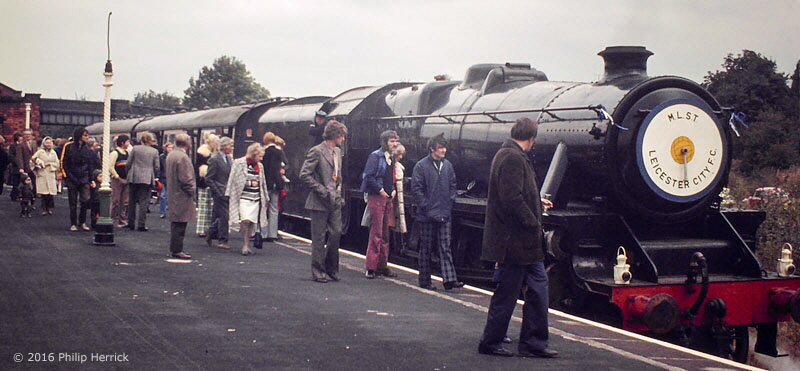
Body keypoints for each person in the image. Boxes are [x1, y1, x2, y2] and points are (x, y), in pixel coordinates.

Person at [478, 117, 557, 358]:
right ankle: (490, 342)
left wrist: (536, 202)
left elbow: (517, 194)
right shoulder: (511, 157)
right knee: (508, 293)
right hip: (514, 242)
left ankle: (534, 342)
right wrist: (533, 222)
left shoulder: (509, 154)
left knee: (538, 289)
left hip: (526, 245)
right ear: (532, 138)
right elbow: (511, 198)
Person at [411, 133, 464, 290]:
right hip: (427, 214)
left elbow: (453, 184)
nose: (444, 150)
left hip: (444, 211)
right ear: (432, 148)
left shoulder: (447, 165)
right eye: (441, 147)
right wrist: (425, 205)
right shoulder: (421, 166)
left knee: (445, 245)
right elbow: (416, 188)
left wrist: (450, 200)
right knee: (426, 247)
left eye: (444, 147)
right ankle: (425, 280)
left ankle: (449, 280)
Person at [299, 120, 347, 283]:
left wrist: (339, 189)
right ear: (335, 135)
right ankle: (318, 270)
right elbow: (304, 174)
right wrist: (321, 190)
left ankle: (331, 268)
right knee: (318, 237)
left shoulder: (338, 152)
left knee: (336, 234)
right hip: (319, 201)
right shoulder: (317, 151)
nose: (343, 139)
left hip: (335, 200)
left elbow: (337, 174)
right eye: (342, 136)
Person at [360, 130, 401, 279]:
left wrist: (393, 190)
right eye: (391, 141)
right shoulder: (375, 156)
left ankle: (382, 265)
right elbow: (368, 176)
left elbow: (391, 176)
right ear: (385, 142)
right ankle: (370, 267)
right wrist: (381, 190)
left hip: (387, 197)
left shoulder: (391, 157)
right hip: (377, 197)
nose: (394, 144)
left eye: (396, 141)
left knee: (385, 234)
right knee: (376, 233)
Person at [226, 143, 269, 256]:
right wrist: (228, 192)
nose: (261, 158)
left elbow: (263, 182)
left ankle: (246, 244)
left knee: (252, 222)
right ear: (253, 154)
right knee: (245, 220)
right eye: (260, 156)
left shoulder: (260, 166)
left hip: (255, 198)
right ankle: (244, 244)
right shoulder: (238, 163)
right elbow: (232, 178)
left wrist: (265, 197)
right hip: (243, 197)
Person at [61, 128, 97, 232]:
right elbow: (64, 162)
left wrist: (91, 179)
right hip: (72, 177)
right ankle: (73, 223)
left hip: (84, 178)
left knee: (85, 201)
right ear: (79, 136)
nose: (87, 137)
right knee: (72, 202)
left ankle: (82, 222)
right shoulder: (68, 146)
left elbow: (90, 165)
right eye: (85, 135)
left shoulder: (88, 149)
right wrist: (67, 176)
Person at [166, 134, 195, 260]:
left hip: (173, 192)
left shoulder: (171, 154)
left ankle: (175, 248)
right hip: (181, 195)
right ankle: (177, 250)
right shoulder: (183, 157)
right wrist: (192, 190)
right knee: (180, 223)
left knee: (176, 223)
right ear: (187, 143)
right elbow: (186, 178)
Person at [125, 133, 160, 232]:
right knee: (143, 202)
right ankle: (141, 225)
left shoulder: (135, 149)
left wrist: (128, 173)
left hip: (134, 177)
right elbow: (157, 166)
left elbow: (128, 163)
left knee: (132, 201)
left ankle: (130, 223)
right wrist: (154, 175)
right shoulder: (154, 151)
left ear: (141, 140)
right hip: (147, 179)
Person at [206, 137, 234, 250]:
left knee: (222, 216)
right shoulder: (214, 159)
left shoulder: (229, 159)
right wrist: (217, 191)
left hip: (227, 191)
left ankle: (211, 231)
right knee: (224, 216)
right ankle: (222, 240)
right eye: (231, 145)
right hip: (220, 192)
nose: (232, 148)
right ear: (224, 146)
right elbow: (209, 178)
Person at [261, 132, 284, 242]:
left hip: (265, 183)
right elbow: (278, 168)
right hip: (276, 183)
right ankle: (272, 234)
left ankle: (263, 233)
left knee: (263, 208)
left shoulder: (264, 152)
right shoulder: (278, 152)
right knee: (274, 209)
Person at [29, 136, 60, 215]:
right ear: (44, 143)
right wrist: (39, 164)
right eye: (47, 143)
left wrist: (49, 164)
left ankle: (49, 208)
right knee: (44, 193)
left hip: (50, 173)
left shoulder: (53, 152)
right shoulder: (40, 152)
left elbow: (57, 163)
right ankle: (44, 209)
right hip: (42, 173)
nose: (48, 144)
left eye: (50, 143)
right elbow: (32, 160)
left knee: (50, 193)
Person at [196, 133, 219, 237]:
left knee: (211, 207)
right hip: (204, 182)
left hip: (213, 182)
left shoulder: (215, 153)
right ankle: (201, 229)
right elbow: (200, 168)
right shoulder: (202, 153)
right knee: (204, 206)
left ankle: (209, 229)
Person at [109, 135, 130, 227]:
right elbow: (110, 166)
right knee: (115, 200)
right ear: (122, 143)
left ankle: (122, 220)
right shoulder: (114, 153)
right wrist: (117, 177)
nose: (128, 144)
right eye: (127, 142)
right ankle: (111, 218)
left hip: (125, 179)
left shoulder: (127, 153)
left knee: (124, 201)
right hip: (117, 180)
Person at [158, 142, 174, 218]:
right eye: (168, 147)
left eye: (171, 147)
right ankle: (163, 212)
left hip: (171, 178)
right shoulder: (161, 157)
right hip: (164, 178)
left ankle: (170, 210)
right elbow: (159, 168)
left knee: (170, 195)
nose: (170, 149)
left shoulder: (174, 157)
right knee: (163, 195)